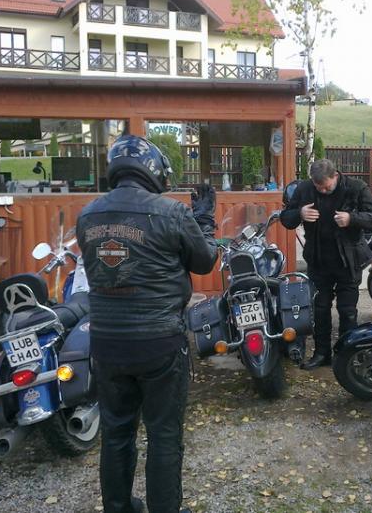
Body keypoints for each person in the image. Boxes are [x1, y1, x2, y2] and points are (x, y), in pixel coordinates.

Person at [76, 135, 217, 513]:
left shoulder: (87, 215)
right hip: (158, 340)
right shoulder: (171, 213)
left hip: (106, 342)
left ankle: (118, 508)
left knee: (115, 432)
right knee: (164, 434)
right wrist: (204, 219)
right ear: (154, 171)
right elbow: (205, 261)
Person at [280, 158, 372, 370]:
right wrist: (299, 213)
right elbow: (286, 218)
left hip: (348, 260)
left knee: (347, 310)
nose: (322, 191)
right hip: (318, 260)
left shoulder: (356, 188)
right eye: (318, 187)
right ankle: (322, 354)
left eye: (326, 187)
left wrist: (352, 218)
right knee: (319, 309)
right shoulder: (304, 189)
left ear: (335, 176)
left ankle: (347, 356)